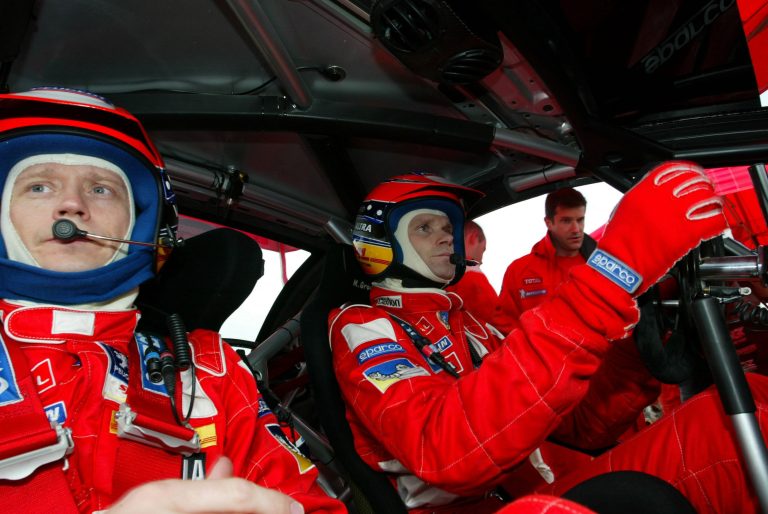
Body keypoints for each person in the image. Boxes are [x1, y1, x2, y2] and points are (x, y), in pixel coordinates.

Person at [329, 168, 768, 513]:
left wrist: (639, 346)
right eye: (425, 227)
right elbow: (447, 450)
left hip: (538, 490)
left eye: (447, 225)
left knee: (730, 416)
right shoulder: (364, 327)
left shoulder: (472, 327)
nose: (447, 235)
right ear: (379, 242)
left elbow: (579, 428)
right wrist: (609, 278)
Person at [0, 88, 344, 514]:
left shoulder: (209, 372)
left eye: (102, 189)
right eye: (38, 186)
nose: (72, 204)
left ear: (144, 224)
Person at [493, 187, 593, 335]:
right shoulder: (519, 270)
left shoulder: (601, 266)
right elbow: (504, 325)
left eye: (580, 220)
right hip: (539, 350)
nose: (576, 229)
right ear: (548, 223)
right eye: (566, 221)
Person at [445, 220, 499, 328]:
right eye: (483, 250)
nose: (482, 261)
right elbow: (497, 321)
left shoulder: (439, 275)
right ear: (473, 238)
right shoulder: (472, 276)